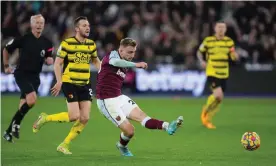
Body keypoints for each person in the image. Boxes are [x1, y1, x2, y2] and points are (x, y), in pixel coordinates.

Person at [96, 38, 183, 157]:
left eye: (134, 52)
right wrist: (136, 64)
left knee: (143, 118)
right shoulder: (112, 56)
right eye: (129, 52)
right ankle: (122, 146)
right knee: (130, 131)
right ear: (120, 50)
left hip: (119, 97)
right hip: (106, 101)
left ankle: (167, 126)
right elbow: (115, 63)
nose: (132, 55)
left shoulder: (125, 61)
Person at [32, 16, 101, 154]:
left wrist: (105, 73)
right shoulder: (67, 43)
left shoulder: (91, 44)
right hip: (69, 82)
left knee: (85, 117)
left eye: (88, 25)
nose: (88, 28)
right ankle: (45, 118)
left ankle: (64, 144)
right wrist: (59, 81)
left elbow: (95, 61)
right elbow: (58, 63)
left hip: (85, 84)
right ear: (77, 28)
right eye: (84, 25)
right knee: (74, 116)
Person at [2, 14, 54, 143]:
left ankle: (8, 132)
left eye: (41, 23)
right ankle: (16, 126)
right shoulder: (24, 39)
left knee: (22, 107)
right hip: (22, 74)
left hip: (35, 77)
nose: (39, 25)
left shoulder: (47, 42)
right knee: (32, 100)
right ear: (31, 25)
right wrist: (6, 66)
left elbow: (48, 57)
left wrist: (49, 60)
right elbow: (6, 49)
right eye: (36, 23)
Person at [197, 21, 239, 129]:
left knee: (219, 99)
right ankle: (205, 113)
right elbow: (199, 52)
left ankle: (207, 117)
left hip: (224, 73)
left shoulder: (229, 42)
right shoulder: (208, 41)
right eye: (219, 27)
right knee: (218, 95)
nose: (221, 29)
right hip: (212, 71)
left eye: (223, 27)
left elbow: (233, 55)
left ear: (225, 30)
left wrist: (235, 56)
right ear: (215, 29)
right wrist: (201, 61)